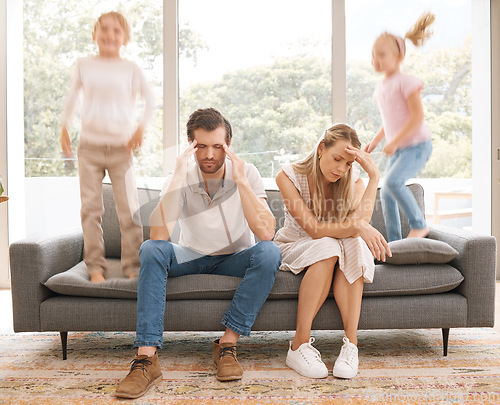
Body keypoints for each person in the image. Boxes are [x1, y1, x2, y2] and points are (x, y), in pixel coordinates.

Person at [114, 107, 281, 399]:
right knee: (151, 248)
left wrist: (240, 182)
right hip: (190, 256)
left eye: (217, 146)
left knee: (269, 253)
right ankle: (146, 359)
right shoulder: (182, 175)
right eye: (201, 146)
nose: (209, 155)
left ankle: (227, 346)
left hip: (234, 259)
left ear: (229, 146)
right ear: (191, 144)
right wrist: (178, 176)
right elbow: (159, 235)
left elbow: (266, 233)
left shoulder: (248, 173)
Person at [274, 123, 391, 380]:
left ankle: (351, 345)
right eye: (337, 159)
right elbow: (314, 230)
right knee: (327, 244)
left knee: (356, 245)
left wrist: (374, 178)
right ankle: (298, 345)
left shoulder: (352, 181)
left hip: (337, 242)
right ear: (320, 149)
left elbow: (361, 223)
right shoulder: (288, 176)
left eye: (349, 164)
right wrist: (358, 226)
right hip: (296, 243)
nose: (341, 168)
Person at [60, 11, 155, 282]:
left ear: (124, 38)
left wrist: (140, 128)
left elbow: (151, 101)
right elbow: (71, 99)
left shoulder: (131, 69)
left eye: (116, 30)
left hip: (120, 150)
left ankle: (133, 267)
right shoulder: (84, 65)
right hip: (88, 148)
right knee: (91, 210)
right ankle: (95, 268)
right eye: (104, 29)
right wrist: (63, 126)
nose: (109, 35)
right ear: (94, 34)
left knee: (129, 211)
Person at [364, 11, 435, 242]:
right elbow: (390, 120)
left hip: (417, 146)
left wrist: (394, 141)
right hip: (400, 149)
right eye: (373, 55)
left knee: (393, 182)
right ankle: (394, 243)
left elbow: (416, 117)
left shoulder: (406, 82)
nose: (376, 60)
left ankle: (419, 225)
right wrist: (376, 141)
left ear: (398, 56)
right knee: (386, 192)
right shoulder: (381, 87)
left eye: (381, 55)